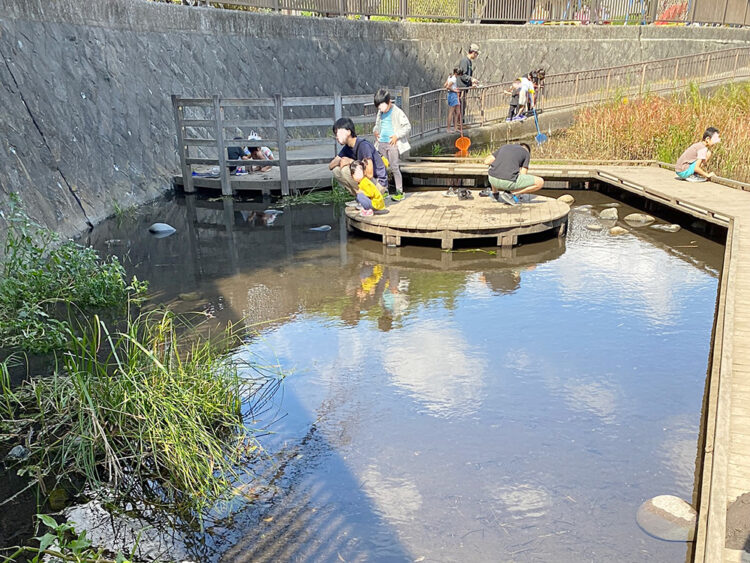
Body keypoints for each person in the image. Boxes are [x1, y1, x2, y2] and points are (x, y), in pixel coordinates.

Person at [329, 117, 388, 197]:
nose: (336, 137)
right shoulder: (347, 148)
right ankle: (359, 198)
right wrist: (341, 160)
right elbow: (331, 166)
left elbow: (370, 174)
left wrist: (351, 162)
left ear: (348, 132)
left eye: (338, 134)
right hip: (367, 182)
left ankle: (367, 198)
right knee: (336, 170)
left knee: (345, 170)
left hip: (378, 183)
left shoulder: (363, 146)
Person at [373, 89, 411, 202]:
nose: (380, 109)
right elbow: (377, 125)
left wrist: (396, 136)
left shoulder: (397, 112)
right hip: (381, 144)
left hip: (392, 144)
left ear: (389, 102)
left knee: (394, 167)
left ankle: (399, 191)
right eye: (379, 107)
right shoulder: (380, 113)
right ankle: (384, 191)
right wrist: (375, 131)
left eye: (382, 106)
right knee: (381, 167)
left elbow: (407, 126)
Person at [457, 43, 480, 120]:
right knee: (460, 105)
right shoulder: (464, 61)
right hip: (461, 87)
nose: (476, 56)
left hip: (465, 87)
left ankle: (461, 122)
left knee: (463, 105)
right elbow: (462, 75)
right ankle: (458, 124)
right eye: (476, 54)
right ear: (473, 52)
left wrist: (471, 82)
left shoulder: (469, 62)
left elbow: (467, 75)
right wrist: (471, 79)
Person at [444, 68, 463, 133]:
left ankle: (455, 128)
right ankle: (448, 129)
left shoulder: (450, 77)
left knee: (457, 112)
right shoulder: (454, 79)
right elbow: (447, 87)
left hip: (453, 95)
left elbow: (445, 85)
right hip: (452, 95)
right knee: (451, 112)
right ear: (456, 73)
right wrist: (454, 90)